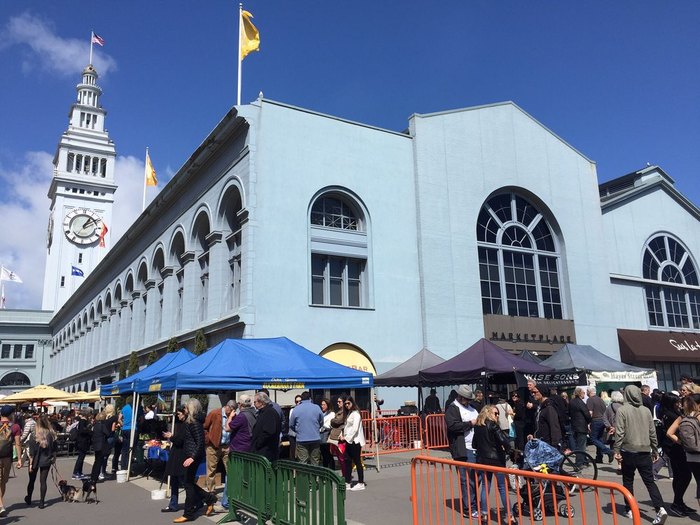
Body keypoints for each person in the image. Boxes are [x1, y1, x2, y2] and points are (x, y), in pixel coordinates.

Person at [613, 385, 667, 524]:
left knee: (628, 480)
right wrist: (654, 449)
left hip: (628, 450)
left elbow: (620, 432)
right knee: (649, 481)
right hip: (644, 450)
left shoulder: (622, 410)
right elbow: (652, 432)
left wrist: (616, 450)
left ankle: (629, 508)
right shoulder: (646, 411)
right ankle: (660, 508)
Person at [174, 398, 217, 523]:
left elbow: (200, 442)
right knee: (188, 483)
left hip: (193, 457)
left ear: (191, 408)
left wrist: (192, 457)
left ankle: (189, 513)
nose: (185, 409)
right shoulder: (190, 422)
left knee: (188, 484)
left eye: (187, 407)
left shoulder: (195, 423)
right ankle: (209, 498)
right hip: (190, 455)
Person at [473, 405, 515, 524]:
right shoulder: (493, 425)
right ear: (488, 413)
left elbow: (474, 444)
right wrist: (509, 450)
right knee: (502, 487)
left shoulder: (478, 426)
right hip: (496, 460)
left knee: (485, 487)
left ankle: (484, 515)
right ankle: (510, 516)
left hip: (483, 460)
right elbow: (503, 440)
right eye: (495, 413)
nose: (497, 416)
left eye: (498, 414)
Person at [657, 392, 694, 516]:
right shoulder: (672, 415)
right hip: (674, 448)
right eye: (676, 402)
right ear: (671, 403)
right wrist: (681, 443)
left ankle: (679, 502)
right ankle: (677, 503)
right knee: (685, 475)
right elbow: (670, 433)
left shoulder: (665, 413)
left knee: (679, 475)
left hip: (671, 448)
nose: (679, 404)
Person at [445, 385, 479, 518]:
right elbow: (453, 426)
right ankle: (469, 508)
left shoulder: (472, 408)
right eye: (467, 399)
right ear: (461, 397)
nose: (469, 401)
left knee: (476, 479)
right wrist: (470, 424)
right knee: (467, 480)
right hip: (463, 449)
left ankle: (473, 504)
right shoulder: (452, 408)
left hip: (475, 448)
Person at [666, 395, 700, 515]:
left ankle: (679, 503)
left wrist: (683, 443)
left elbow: (669, 433)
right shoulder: (696, 416)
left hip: (689, 454)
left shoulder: (682, 417)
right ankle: (678, 504)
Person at [203, 400, 234, 496]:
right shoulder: (215, 413)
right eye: (232, 409)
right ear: (227, 407)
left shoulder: (233, 416)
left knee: (230, 468)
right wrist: (208, 438)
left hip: (226, 445)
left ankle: (231, 490)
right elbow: (205, 426)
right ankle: (211, 491)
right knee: (211, 469)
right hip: (213, 445)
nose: (233, 412)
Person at [25, 414, 56, 509]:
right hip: (46, 459)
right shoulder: (51, 434)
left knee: (31, 480)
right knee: (43, 481)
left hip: (35, 460)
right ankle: (42, 502)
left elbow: (32, 452)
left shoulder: (34, 435)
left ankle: (29, 498)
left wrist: (30, 464)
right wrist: (54, 458)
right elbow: (55, 448)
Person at [161, 405, 187, 513]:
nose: (177, 416)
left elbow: (180, 440)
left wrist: (171, 436)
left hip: (181, 454)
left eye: (179, 414)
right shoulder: (178, 423)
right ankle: (173, 504)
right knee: (174, 480)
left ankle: (199, 500)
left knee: (184, 481)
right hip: (175, 454)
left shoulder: (186, 425)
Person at [289, 391, 324, 465]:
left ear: (301, 399)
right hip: (315, 438)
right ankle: (315, 476)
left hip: (301, 439)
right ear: (310, 398)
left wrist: (298, 430)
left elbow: (291, 424)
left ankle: (304, 476)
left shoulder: (296, 409)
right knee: (315, 461)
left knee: (303, 462)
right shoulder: (317, 407)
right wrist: (316, 428)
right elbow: (321, 422)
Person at [0, 406, 22, 516]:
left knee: (1, 482)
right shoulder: (15, 426)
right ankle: (0, 505)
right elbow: (17, 444)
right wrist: (19, 459)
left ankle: (0, 504)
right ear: (11, 414)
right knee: (3, 482)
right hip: (7, 458)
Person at [341, 396, 366, 491]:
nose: (347, 405)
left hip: (355, 441)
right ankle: (348, 482)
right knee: (347, 461)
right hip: (349, 441)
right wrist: (343, 436)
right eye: (345, 404)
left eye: (348, 403)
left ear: (352, 403)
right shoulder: (350, 413)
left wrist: (346, 438)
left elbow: (355, 429)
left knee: (357, 461)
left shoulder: (356, 414)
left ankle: (361, 482)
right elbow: (347, 427)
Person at [252, 391, 281, 462]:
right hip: (263, 450)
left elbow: (268, 432)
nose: (254, 404)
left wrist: (258, 444)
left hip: (266, 451)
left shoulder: (269, 413)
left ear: (261, 402)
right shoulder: (263, 412)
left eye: (255, 402)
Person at [587, 387, 614, 463]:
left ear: (589, 392)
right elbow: (605, 411)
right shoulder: (600, 399)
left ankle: (608, 451)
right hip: (602, 420)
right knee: (599, 439)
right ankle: (599, 457)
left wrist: (588, 423)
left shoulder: (590, 400)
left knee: (593, 439)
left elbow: (590, 412)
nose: (586, 393)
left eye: (587, 392)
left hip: (595, 420)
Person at [531, 385, 562, 449]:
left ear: (542, 392)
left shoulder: (549, 407)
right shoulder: (540, 407)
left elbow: (554, 426)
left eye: (534, 392)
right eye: (532, 392)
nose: (533, 394)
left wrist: (555, 444)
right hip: (540, 442)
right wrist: (533, 436)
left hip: (547, 444)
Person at [570, 386, 592, 467]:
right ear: (579, 393)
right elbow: (586, 413)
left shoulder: (572, 401)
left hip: (575, 425)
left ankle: (584, 460)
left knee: (579, 444)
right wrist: (590, 420)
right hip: (581, 426)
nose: (584, 394)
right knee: (581, 446)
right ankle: (579, 463)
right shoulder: (580, 402)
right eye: (583, 393)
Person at [89, 411, 111, 483]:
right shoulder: (102, 425)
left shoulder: (95, 425)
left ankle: (92, 476)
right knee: (99, 462)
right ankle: (95, 478)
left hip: (95, 445)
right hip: (101, 445)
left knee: (96, 462)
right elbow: (107, 434)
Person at [329, 397, 347, 474]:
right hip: (336, 437)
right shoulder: (340, 411)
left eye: (339, 402)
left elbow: (338, 421)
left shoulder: (344, 412)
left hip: (340, 438)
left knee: (342, 458)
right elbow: (335, 421)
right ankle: (345, 475)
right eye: (337, 401)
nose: (338, 403)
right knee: (340, 459)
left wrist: (332, 421)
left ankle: (346, 476)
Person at [72, 408, 92, 479]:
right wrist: (89, 431)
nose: (91, 414)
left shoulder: (84, 421)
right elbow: (82, 431)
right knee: (80, 457)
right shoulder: (83, 421)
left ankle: (79, 471)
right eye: (90, 413)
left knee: (82, 457)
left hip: (83, 441)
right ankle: (75, 472)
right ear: (87, 413)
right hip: (82, 441)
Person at [101, 404, 118, 479]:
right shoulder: (114, 417)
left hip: (104, 437)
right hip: (110, 436)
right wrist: (117, 426)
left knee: (103, 455)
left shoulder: (104, 417)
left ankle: (102, 471)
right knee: (106, 455)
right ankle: (103, 472)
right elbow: (113, 429)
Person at [319, 398, 335, 469]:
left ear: (328, 405)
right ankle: (325, 468)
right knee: (323, 454)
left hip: (326, 434)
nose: (322, 406)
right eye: (321, 404)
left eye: (324, 405)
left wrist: (323, 426)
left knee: (328, 454)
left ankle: (332, 469)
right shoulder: (321, 413)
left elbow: (330, 424)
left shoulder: (331, 414)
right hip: (320, 435)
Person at [119, 397, 134, 471]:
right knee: (131, 449)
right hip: (133, 429)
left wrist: (123, 424)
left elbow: (119, 419)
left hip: (125, 429)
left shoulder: (124, 408)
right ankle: (129, 467)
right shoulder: (135, 407)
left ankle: (123, 466)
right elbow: (141, 419)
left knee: (124, 449)